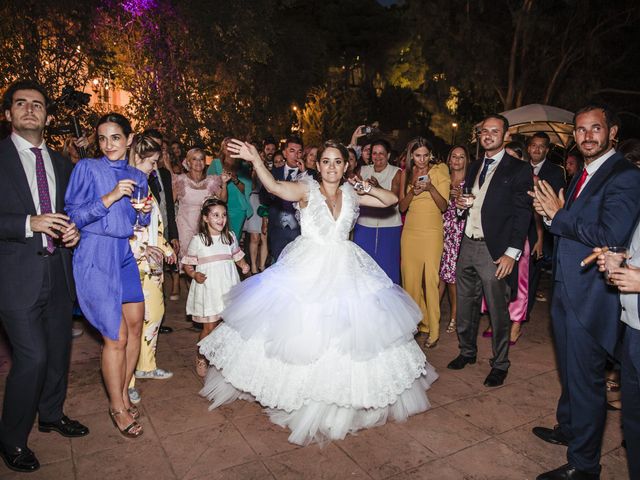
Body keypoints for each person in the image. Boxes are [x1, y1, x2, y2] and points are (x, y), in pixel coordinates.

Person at [199, 139, 438, 445]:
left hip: (347, 267)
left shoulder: (352, 193)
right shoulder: (305, 189)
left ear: (345, 166)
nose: (331, 167)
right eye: (326, 161)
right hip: (307, 265)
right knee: (304, 329)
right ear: (318, 165)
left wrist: (365, 186)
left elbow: (391, 200)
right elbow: (273, 187)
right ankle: (301, 393)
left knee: (349, 330)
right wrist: (255, 159)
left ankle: (343, 394)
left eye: (338, 161)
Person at [530, 104, 640, 480]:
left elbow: (611, 234)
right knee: (570, 370)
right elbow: (571, 226)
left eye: (596, 128)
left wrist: (558, 216)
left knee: (586, 378)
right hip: (565, 286)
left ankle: (584, 464)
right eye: (580, 130)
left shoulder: (623, 175)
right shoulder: (584, 173)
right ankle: (570, 428)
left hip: (592, 295)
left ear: (612, 132)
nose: (587, 136)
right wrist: (551, 216)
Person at [0, 80, 87, 473]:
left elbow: (71, 213)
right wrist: (27, 223)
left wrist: (74, 231)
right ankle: (11, 439)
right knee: (31, 357)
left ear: (48, 116)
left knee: (57, 353)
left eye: (37, 105)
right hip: (15, 276)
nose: (30, 109)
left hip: (58, 271)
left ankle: (51, 414)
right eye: (21, 104)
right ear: (8, 114)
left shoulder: (61, 163)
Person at [65, 112, 152, 438]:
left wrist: (142, 214)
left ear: (129, 139)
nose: (108, 144)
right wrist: (112, 196)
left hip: (124, 254)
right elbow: (73, 214)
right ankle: (117, 406)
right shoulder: (87, 168)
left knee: (134, 326)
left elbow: (137, 222)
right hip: (95, 254)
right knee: (115, 337)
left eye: (115, 137)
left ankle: (123, 393)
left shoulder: (137, 176)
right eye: (102, 138)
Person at [447, 114, 532, 388]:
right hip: (468, 244)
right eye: (484, 130)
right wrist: (461, 205)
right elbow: (468, 204)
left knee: (497, 311)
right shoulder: (473, 167)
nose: (488, 135)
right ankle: (467, 352)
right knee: (465, 305)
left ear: (504, 136)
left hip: (494, 250)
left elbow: (523, 214)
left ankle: (500, 364)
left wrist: (512, 252)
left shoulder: (518, 169)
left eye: (495, 131)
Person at [126, 134, 177, 404]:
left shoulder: (144, 186)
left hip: (153, 267)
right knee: (131, 326)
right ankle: (128, 380)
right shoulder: (126, 185)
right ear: (137, 158)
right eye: (151, 162)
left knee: (155, 315)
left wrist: (166, 249)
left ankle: (146, 365)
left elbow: (154, 226)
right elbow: (122, 229)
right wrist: (143, 250)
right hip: (132, 266)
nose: (154, 168)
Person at [183, 198, 250, 376]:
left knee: (228, 326)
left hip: (228, 286)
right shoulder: (199, 240)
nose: (221, 219)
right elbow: (188, 264)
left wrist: (243, 265)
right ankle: (201, 356)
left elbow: (237, 256)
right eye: (215, 215)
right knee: (209, 327)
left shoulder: (230, 237)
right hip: (210, 289)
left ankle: (223, 357)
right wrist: (194, 274)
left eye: (223, 215)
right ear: (205, 218)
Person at [399, 138, 450, 348]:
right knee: (409, 281)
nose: (421, 160)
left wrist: (430, 188)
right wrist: (413, 191)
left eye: (425, 155)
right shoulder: (405, 174)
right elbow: (402, 207)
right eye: (417, 155)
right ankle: (417, 323)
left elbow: (444, 206)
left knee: (430, 280)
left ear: (430, 155)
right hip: (410, 231)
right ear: (412, 156)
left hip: (431, 231)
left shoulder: (440, 171)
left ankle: (434, 330)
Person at [526, 133, 566, 321]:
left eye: (541, 146)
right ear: (528, 147)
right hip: (517, 228)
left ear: (547, 150)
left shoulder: (556, 172)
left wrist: (541, 237)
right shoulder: (519, 166)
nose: (536, 149)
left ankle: (522, 316)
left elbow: (557, 204)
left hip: (539, 229)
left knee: (532, 274)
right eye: (533, 145)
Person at [353, 139, 403, 283]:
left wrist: (377, 187)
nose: (378, 156)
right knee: (364, 267)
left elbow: (394, 201)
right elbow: (357, 194)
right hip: (364, 225)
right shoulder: (363, 170)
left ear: (388, 155)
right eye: (374, 153)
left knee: (388, 266)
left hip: (389, 226)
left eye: (382, 153)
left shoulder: (397, 172)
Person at [173, 147, 228, 272]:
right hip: (184, 225)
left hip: (205, 226)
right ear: (188, 162)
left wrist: (224, 184)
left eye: (201, 159)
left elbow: (223, 200)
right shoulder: (180, 180)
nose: (198, 162)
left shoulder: (211, 181)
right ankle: (189, 289)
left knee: (203, 259)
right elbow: (170, 204)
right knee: (188, 260)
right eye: (194, 159)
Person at [143, 129, 180, 311]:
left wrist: (173, 234)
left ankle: (159, 307)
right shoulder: (139, 172)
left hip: (164, 227)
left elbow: (169, 206)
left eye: (159, 146)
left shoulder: (164, 174)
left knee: (160, 271)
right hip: (147, 231)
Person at [439, 145, 469, 335]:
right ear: (449, 160)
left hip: (459, 232)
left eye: (461, 157)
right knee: (438, 276)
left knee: (452, 278)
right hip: (439, 230)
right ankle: (431, 314)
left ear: (466, 160)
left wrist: (462, 199)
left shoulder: (470, 181)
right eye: (454, 157)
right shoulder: (443, 180)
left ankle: (454, 317)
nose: (457, 160)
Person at [260, 135, 303, 261]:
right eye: (292, 151)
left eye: (299, 152)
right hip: (277, 230)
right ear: (284, 153)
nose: (296, 155)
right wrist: (273, 191)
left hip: (300, 232)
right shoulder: (274, 173)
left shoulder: (309, 174)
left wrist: (304, 173)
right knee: (278, 265)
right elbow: (263, 198)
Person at [207, 137, 252, 239]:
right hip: (219, 207)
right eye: (227, 145)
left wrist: (235, 180)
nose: (229, 148)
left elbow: (247, 189)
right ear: (222, 148)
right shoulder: (215, 164)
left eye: (233, 146)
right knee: (219, 238)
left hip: (238, 209)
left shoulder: (243, 165)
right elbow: (209, 186)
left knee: (234, 239)